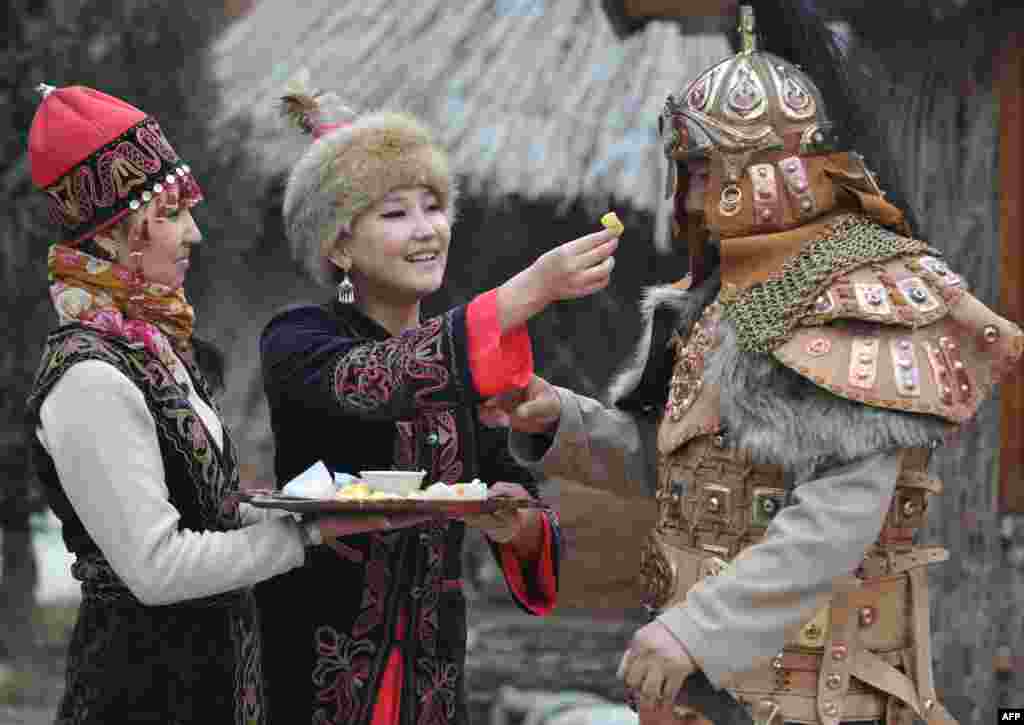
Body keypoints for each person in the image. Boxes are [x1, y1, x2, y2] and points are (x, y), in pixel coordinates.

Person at [495, 5, 1024, 725]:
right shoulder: (713, 303)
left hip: (818, 689)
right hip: (709, 681)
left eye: (703, 175)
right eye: (683, 174)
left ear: (775, 173)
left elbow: (836, 517)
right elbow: (682, 475)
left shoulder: (856, 294)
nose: (685, 201)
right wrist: (563, 419)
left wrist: (696, 628)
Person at [23, 83, 428, 724]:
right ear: (115, 231)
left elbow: (203, 512)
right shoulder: (90, 376)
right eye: (174, 212)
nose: (195, 232)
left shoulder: (155, 345)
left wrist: (328, 501)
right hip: (141, 698)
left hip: (215, 684)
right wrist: (307, 531)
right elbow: (157, 567)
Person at [254, 74, 618, 725]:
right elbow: (371, 380)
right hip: (318, 670)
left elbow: (518, 494)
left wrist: (520, 523)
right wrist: (526, 292)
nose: (427, 230)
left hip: (433, 675)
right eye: (395, 214)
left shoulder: (460, 360)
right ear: (338, 244)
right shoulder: (298, 340)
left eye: (433, 206)